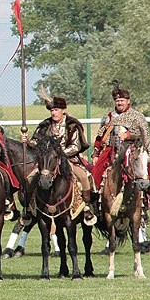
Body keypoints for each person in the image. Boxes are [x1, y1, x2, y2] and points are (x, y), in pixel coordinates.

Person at [92, 84, 150, 253]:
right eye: (116, 100)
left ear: (128, 101)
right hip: (111, 154)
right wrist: (96, 152)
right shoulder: (108, 118)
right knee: (95, 174)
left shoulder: (136, 117)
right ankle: (92, 204)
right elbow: (100, 137)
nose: (119, 102)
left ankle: (146, 199)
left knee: (142, 173)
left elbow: (143, 135)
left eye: (122, 100)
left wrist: (129, 135)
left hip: (131, 151)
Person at [20, 96, 97, 226]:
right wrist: (27, 141)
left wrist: (60, 154)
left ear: (63, 110)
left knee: (84, 176)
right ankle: (28, 208)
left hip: (69, 159)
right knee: (30, 178)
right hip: (48, 162)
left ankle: (87, 208)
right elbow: (37, 142)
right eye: (52, 110)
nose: (53, 113)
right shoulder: (45, 125)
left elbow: (75, 146)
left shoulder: (72, 125)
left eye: (56, 110)